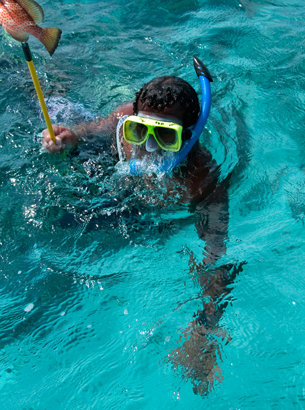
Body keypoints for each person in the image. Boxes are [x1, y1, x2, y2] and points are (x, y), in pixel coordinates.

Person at [41, 57, 245, 395]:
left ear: (189, 137)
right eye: (139, 130)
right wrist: (70, 137)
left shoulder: (202, 180)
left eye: (164, 136)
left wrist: (205, 327)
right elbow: (88, 130)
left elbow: (216, 255)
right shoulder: (122, 117)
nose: (148, 147)